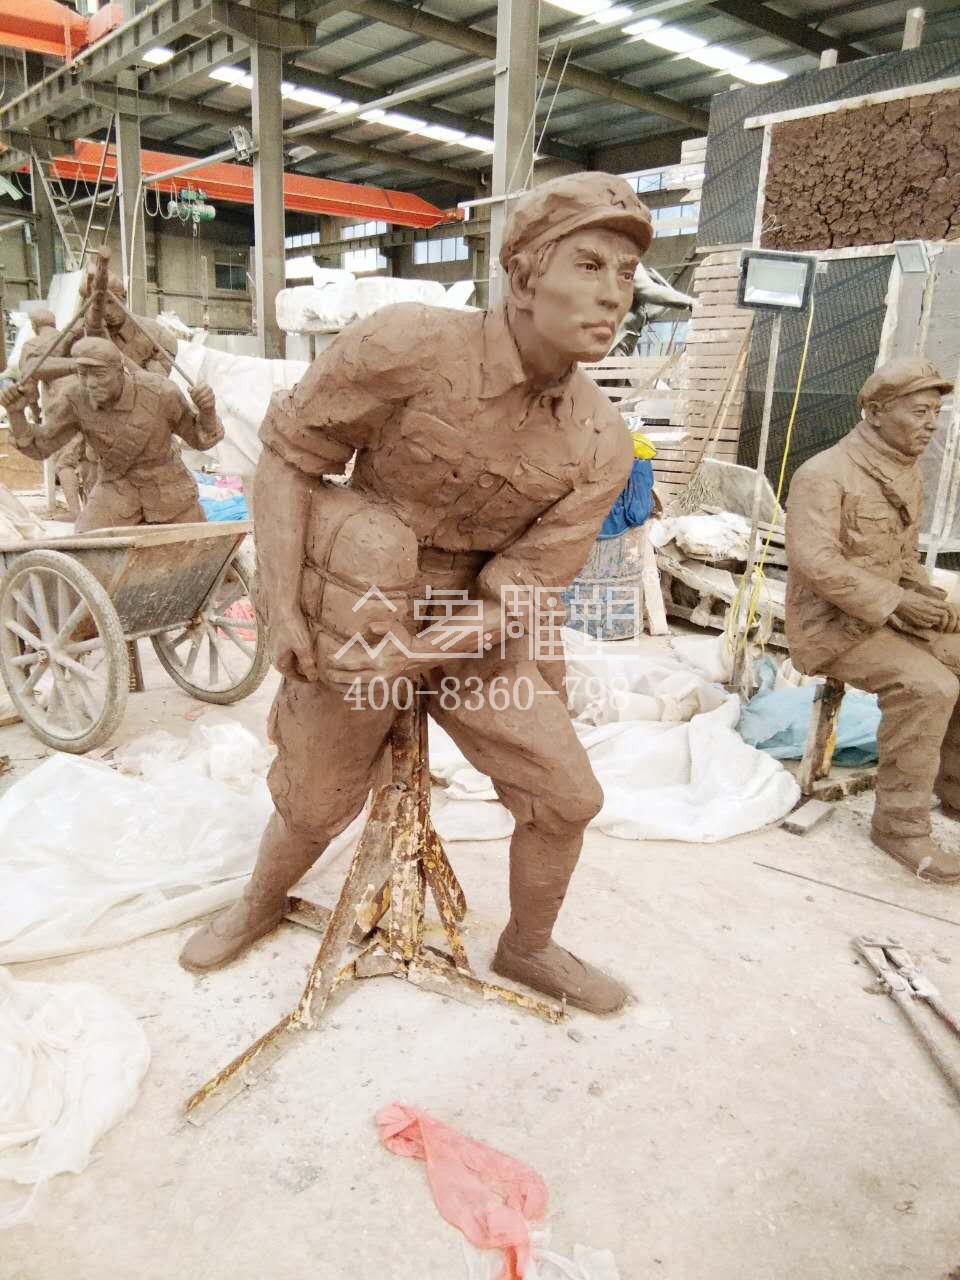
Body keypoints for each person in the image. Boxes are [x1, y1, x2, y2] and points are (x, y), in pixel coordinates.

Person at [181, 172, 652, 1014]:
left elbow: (523, 591)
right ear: (523, 276)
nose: (613, 295)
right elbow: (291, 458)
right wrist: (282, 610)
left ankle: (528, 946)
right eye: (589, 265)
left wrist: (424, 652)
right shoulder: (407, 343)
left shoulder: (599, 441)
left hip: (472, 623)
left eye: (625, 275)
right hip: (361, 593)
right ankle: (258, 901)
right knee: (317, 801)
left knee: (567, 796)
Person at [786, 356, 960, 882]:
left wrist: (925, 599)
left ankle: (952, 788)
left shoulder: (905, 471)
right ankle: (899, 828)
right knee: (927, 686)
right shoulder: (823, 474)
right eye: (920, 412)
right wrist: (897, 602)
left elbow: (902, 556)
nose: (930, 425)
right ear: (877, 412)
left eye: (935, 414)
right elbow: (816, 563)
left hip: (885, 616)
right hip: (830, 628)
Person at [0, 337, 222, 532]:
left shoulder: (161, 392)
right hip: (116, 487)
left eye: (99, 374)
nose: (90, 384)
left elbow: (201, 438)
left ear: (120, 371)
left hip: (168, 488)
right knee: (87, 545)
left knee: (201, 550)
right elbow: (41, 446)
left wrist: (208, 410)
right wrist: (16, 413)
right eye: (83, 374)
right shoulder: (76, 399)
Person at [70, 267, 178, 375]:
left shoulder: (158, 335)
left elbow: (155, 383)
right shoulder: (80, 332)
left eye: (111, 302)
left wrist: (109, 346)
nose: (107, 312)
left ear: (124, 296)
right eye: (99, 305)